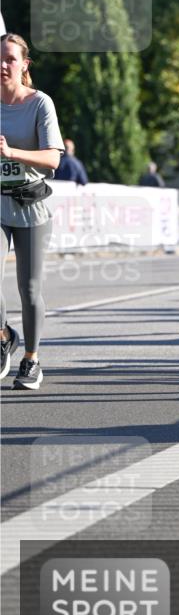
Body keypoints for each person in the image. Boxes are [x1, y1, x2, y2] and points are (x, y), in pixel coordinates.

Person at [1, 33, 65, 390]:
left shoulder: (40, 103)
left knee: (29, 289)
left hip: (33, 205)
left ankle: (31, 359)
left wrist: (12, 153)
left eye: (10, 58)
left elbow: (53, 158)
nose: (3, 65)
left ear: (24, 64)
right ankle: (3, 334)